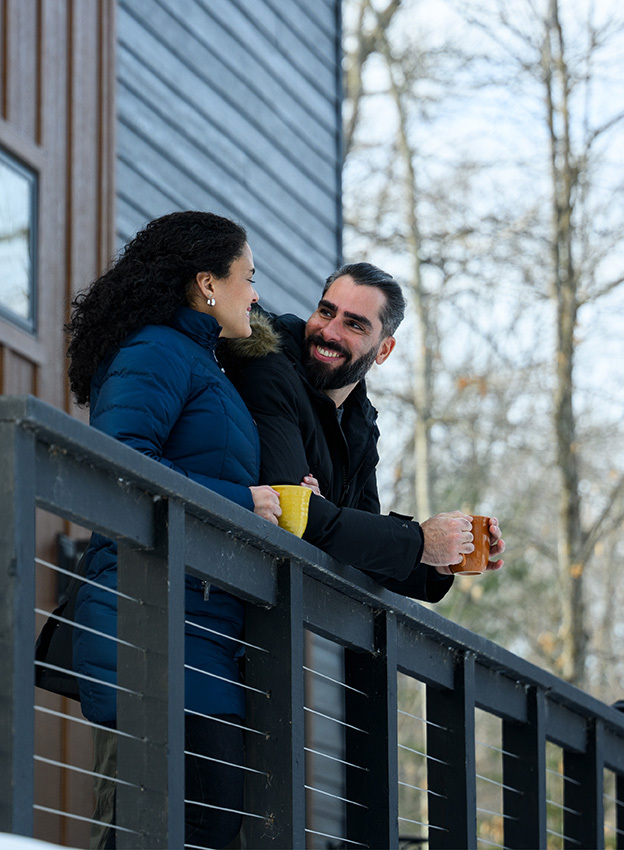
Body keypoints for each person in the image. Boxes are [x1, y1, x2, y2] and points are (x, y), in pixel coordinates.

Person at [66, 211, 312, 849]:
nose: (255, 295)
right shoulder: (155, 350)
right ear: (208, 284)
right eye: (247, 277)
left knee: (203, 829)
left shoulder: (204, 365)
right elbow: (115, 467)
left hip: (200, 635)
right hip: (152, 630)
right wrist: (242, 500)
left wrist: (278, 502)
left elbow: (196, 470)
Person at [221, 262, 505, 598]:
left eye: (354, 325)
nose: (329, 332)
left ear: (383, 349)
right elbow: (292, 511)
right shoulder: (270, 369)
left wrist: (437, 559)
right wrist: (417, 541)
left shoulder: (360, 422)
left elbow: (362, 546)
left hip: (268, 604)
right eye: (326, 312)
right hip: (226, 579)